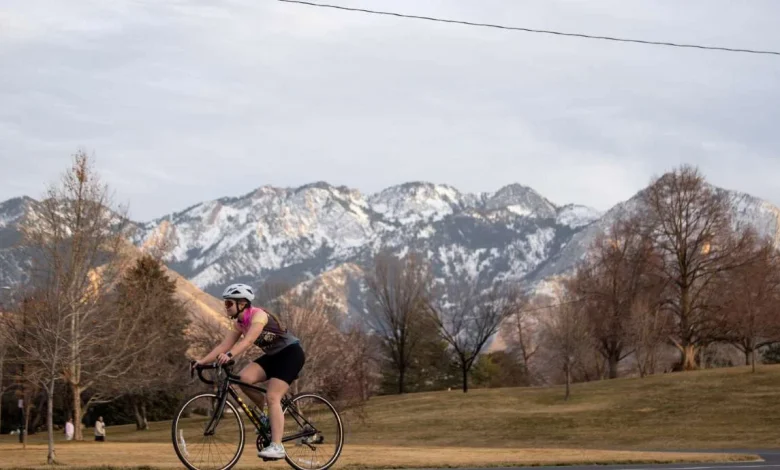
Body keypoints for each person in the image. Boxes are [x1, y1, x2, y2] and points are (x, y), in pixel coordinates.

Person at [193, 283, 305, 460]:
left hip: (291, 354)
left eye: (229, 303)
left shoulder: (258, 316)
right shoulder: (239, 323)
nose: (226, 307)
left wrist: (229, 355)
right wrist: (202, 361)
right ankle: (266, 416)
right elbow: (224, 345)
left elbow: (248, 341)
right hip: (273, 356)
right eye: (225, 303)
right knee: (244, 378)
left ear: (242, 303)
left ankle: (277, 446)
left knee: (273, 396)